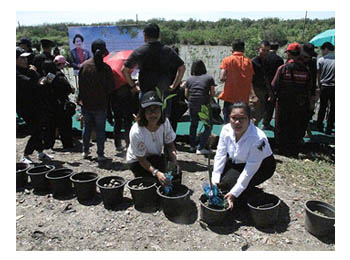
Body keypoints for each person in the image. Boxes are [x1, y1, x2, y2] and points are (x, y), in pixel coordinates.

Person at [211, 102, 276, 209]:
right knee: (219, 179)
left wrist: (234, 193)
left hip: (261, 166)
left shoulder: (258, 138)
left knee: (230, 185)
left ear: (250, 119)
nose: (237, 122)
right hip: (238, 161)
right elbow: (220, 154)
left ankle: (251, 195)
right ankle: (243, 189)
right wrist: (215, 180)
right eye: (233, 118)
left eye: (242, 118)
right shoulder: (225, 130)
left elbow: (249, 169)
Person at [122, 23, 186, 118]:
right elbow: (182, 68)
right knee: (163, 121)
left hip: (145, 92)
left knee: (145, 121)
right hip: (163, 93)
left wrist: (133, 86)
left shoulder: (139, 51)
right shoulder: (167, 51)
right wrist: (174, 85)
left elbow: (124, 70)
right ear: (159, 35)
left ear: (145, 35)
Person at [126, 91, 179, 186]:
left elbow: (170, 145)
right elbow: (141, 159)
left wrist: (174, 162)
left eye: (156, 110)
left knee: (173, 176)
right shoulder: (137, 131)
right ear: (143, 112)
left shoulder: (165, 123)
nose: (153, 114)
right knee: (154, 183)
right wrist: (156, 173)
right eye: (149, 110)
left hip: (155, 156)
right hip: (137, 161)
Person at [271, 42, 312, 157]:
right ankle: (293, 149)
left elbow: (274, 85)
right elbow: (309, 88)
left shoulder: (283, 68)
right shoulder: (306, 70)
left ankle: (281, 149)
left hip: (284, 102)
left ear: (289, 54)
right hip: (300, 103)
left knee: (281, 125)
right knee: (295, 125)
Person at [77, 39, 114, 161]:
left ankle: (85, 151)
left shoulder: (84, 66)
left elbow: (80, 86)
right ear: (104, 52)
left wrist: (80, 99)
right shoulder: (106, 68)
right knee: (100, 130)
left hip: (86, 104)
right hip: (101, 104)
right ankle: (100, 154)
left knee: (86, 128)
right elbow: (111, 88)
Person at [16, 47, 53, 163]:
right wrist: (34, 74)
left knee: (39, 128)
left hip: (35, 105)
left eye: (26, 58)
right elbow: (30, 83)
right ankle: (26, 155)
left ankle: (40, 152)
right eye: (21, 58)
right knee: (36, 130)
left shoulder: (27, 69)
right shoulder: (16, 73)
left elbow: (37, 83)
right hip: (25, 107)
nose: (25, 61)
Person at [39, 60, 75, 150]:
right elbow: (68, 88)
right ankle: (67, 144)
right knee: (65, 126)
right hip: (61, 104)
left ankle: (48, 144)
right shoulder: (58, 75)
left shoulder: (50, 76)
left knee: (50, 126)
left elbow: (43, 87)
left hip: (51, 105)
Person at [219, 39, 256, 123]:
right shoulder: (248, 62)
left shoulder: (227, 60)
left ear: (232, 48)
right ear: (243, 49)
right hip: (244, 98)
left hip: (230, 97)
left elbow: (222, 77)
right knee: (242, 123)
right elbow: (250, 79)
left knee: (228, 122)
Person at [185, 60, 216, 155]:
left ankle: (192, 146)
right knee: (208, 125)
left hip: (192, 103)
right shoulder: (209, 78)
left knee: (193, 124)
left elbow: (186, 94)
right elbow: (213, 93)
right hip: (204, 104)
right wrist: (209, 100)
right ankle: (201, 147)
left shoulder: (189, 80)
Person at [262, 42, 285, 130]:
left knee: (262, 104)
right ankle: (266, 122)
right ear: (277, 48)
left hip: (263, 84)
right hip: (274, 85)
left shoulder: (264, 58)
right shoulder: (279, 59)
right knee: (271, 105)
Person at [251, 40, 271, 126]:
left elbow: (266, 77)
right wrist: (253, 95)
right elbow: (249, 80)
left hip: (264, 91)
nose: (265, 52)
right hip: (255, 90)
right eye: (263, 50)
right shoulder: (253, 62)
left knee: (262, 113)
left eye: (267, 50)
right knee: (255, 115)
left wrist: (270, 91)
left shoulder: (267, 61)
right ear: (259, 49)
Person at [316, 42, 335, 135]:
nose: (322, 52)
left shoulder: (321, 60)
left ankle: (319, 126)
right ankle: (329, 127)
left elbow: (318, 75)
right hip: (334, 87)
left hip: (324, 86)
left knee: (322, 107)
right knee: (333, 108)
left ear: (326, 49)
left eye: (322, 50)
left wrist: (319, 86)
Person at [301, 43, 318, 137]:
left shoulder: (311, 63)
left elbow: (313, 78)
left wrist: (312, 93)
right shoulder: (299, 61)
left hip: (307, 92)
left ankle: (307, 131)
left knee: (307, 113)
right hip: (298, 90)